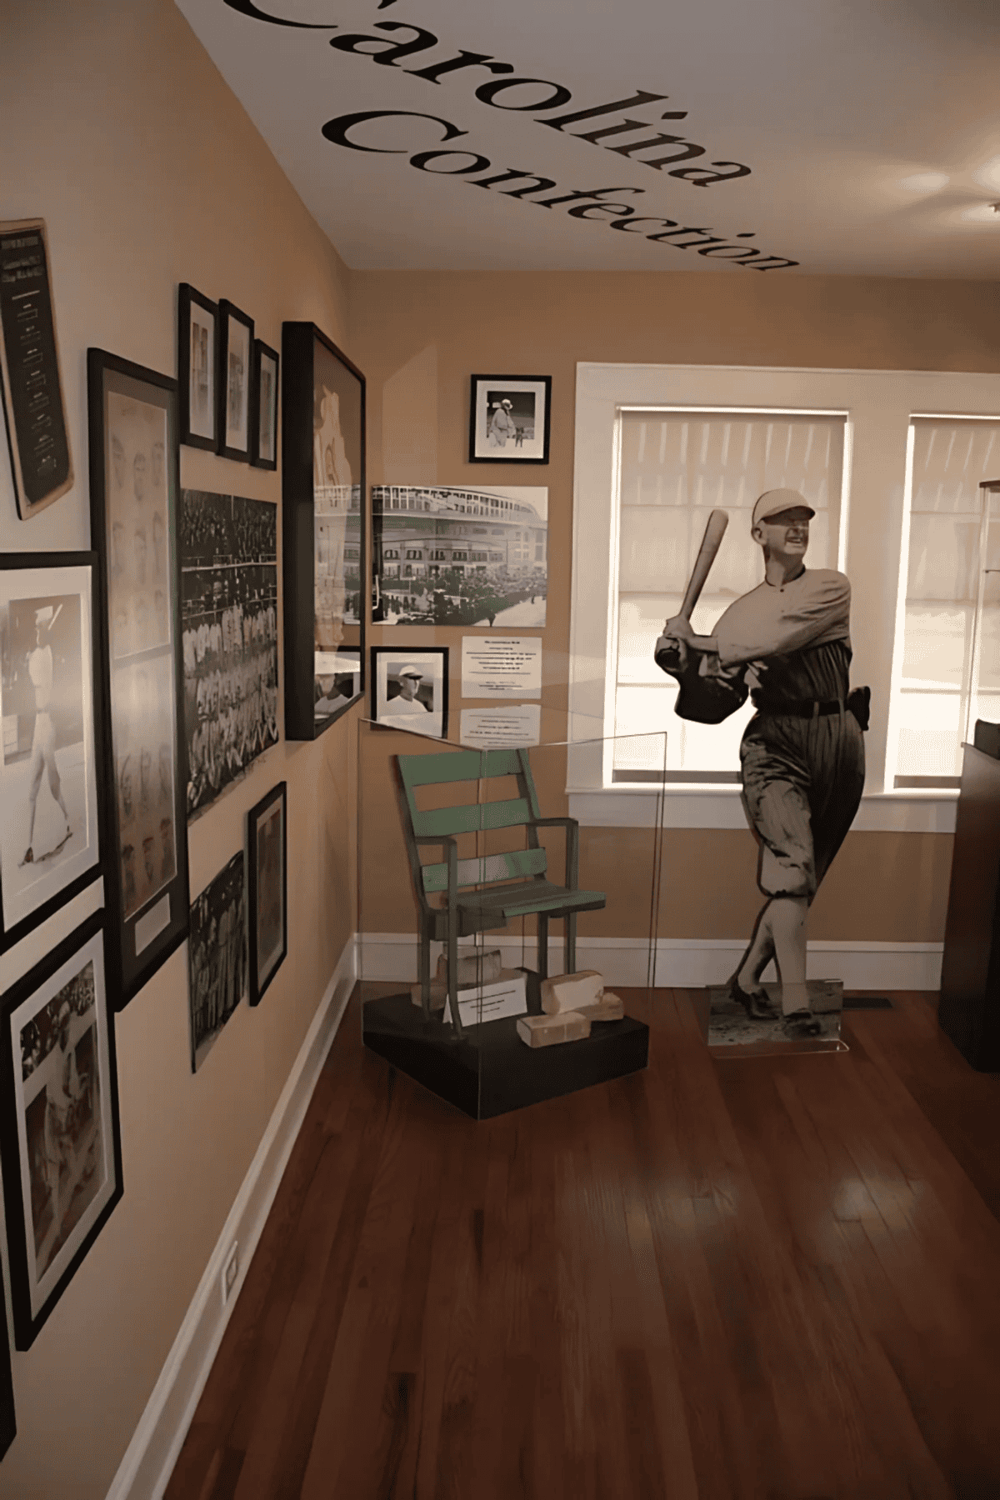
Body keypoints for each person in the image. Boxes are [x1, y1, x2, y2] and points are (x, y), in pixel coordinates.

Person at [655, 489, 868, 1035]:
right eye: (782, 520)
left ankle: (747, 979)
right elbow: (712, 708)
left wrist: (698, 641)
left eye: (803, 519)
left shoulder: (829, 586)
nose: (797, 527)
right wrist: (682, 669)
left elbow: (772, 636)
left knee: (802, 881)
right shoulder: (740, 609)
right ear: (759, 535)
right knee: (791, 874)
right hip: (775, 744)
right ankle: (795, 1003)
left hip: (839, 738)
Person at [21, 606, 72, 866]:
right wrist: (32, 655)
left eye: (41, 629)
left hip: (47, 725)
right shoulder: (40, 653)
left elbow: (35, 678)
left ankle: (66, 819)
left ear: (45, 632)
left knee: (52, 784)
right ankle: (28, 846)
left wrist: (31, 657)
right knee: (32, 787)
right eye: (37, 629)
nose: (37, 633)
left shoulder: (45, 656)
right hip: (39, 725)